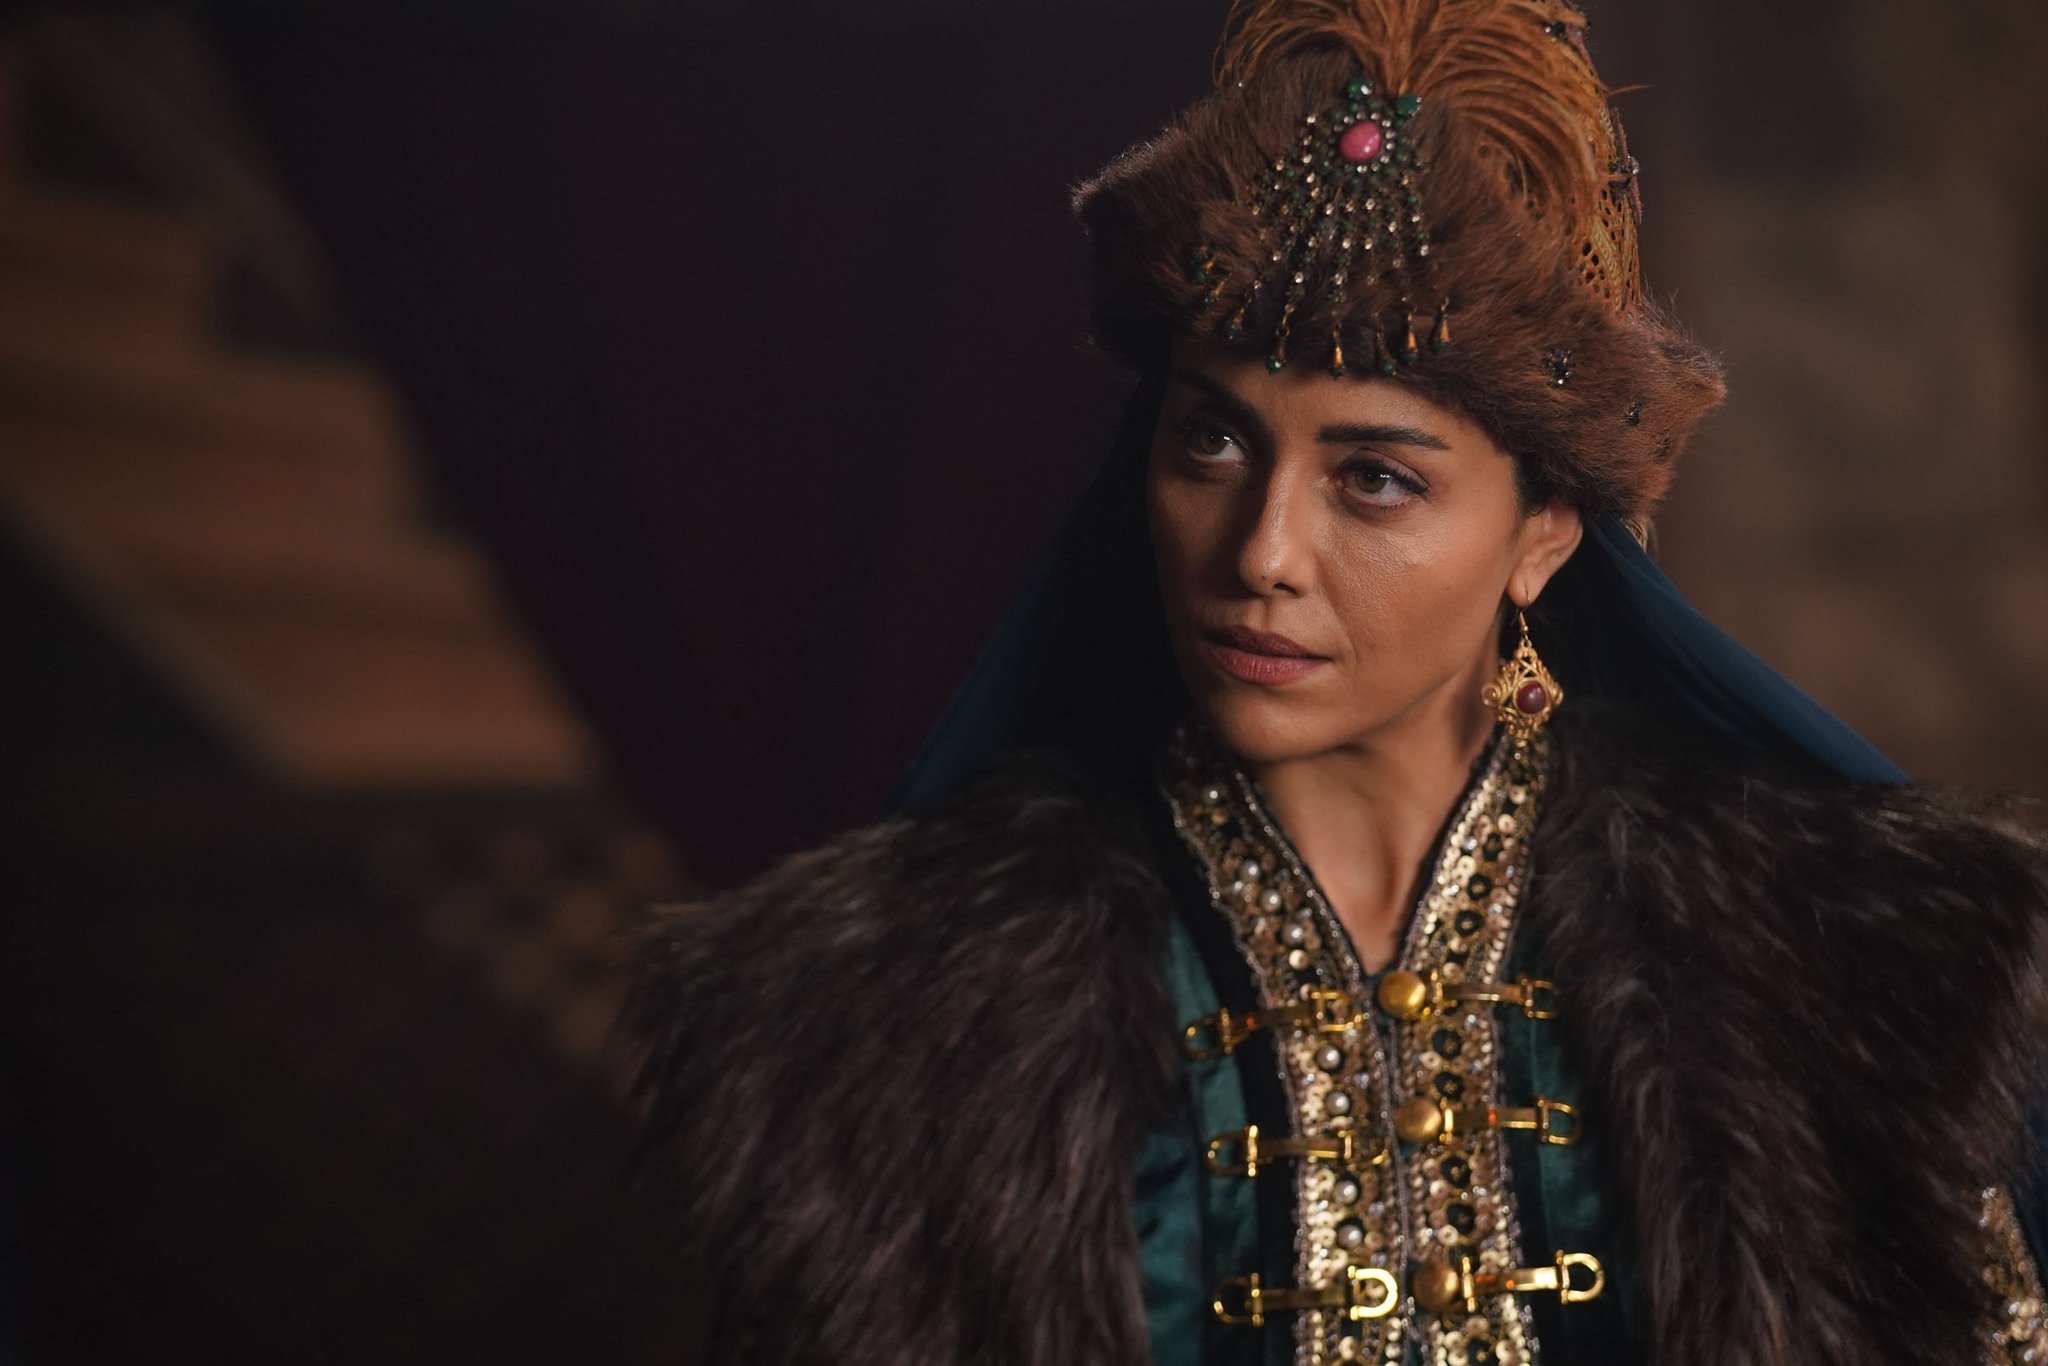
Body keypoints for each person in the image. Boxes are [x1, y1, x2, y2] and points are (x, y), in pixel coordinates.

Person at [621, 1, 2048, 1362]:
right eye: (1213, 443)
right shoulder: (906, 1018)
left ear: (1545, 532)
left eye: (1374, 478)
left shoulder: (1835, 972)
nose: (1262, 552)